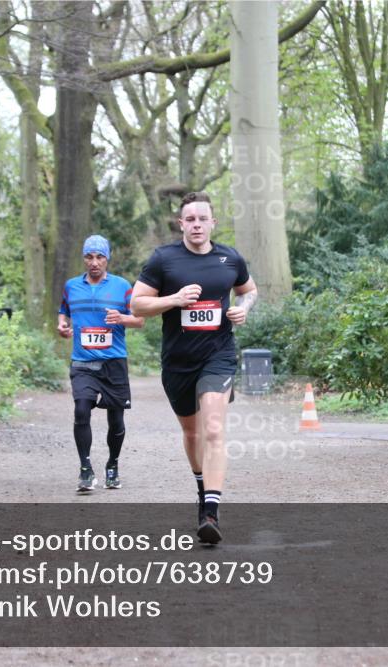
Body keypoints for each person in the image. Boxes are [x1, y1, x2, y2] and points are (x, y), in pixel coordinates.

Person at [131, 192, 257, 544]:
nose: (197, 225)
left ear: (213, 222)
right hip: (178, 362)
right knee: (192, 434)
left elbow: (249, 290)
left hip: (218, 355)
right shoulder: (164, 259)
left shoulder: (230, 258)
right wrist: (174, 299)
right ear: (181, 224)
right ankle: (202, 490)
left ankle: (211, 512)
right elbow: (137, 305)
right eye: (190, 219)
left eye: (203, 218)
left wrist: (244, 308)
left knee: (213, 429)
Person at [58, 235, 144, 492]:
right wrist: (62, 326)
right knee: (81, 410)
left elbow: (139, 320)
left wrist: (122, 318)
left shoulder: (122, 286)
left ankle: (112, 465)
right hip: (83, 361)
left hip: (113, 362)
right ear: (83, 258)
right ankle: (85, 469)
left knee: (115, 420)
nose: (94, 262)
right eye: (89, 257)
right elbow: (64, 312)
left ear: (107, 259)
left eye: (99, 257)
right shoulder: (71, 286)